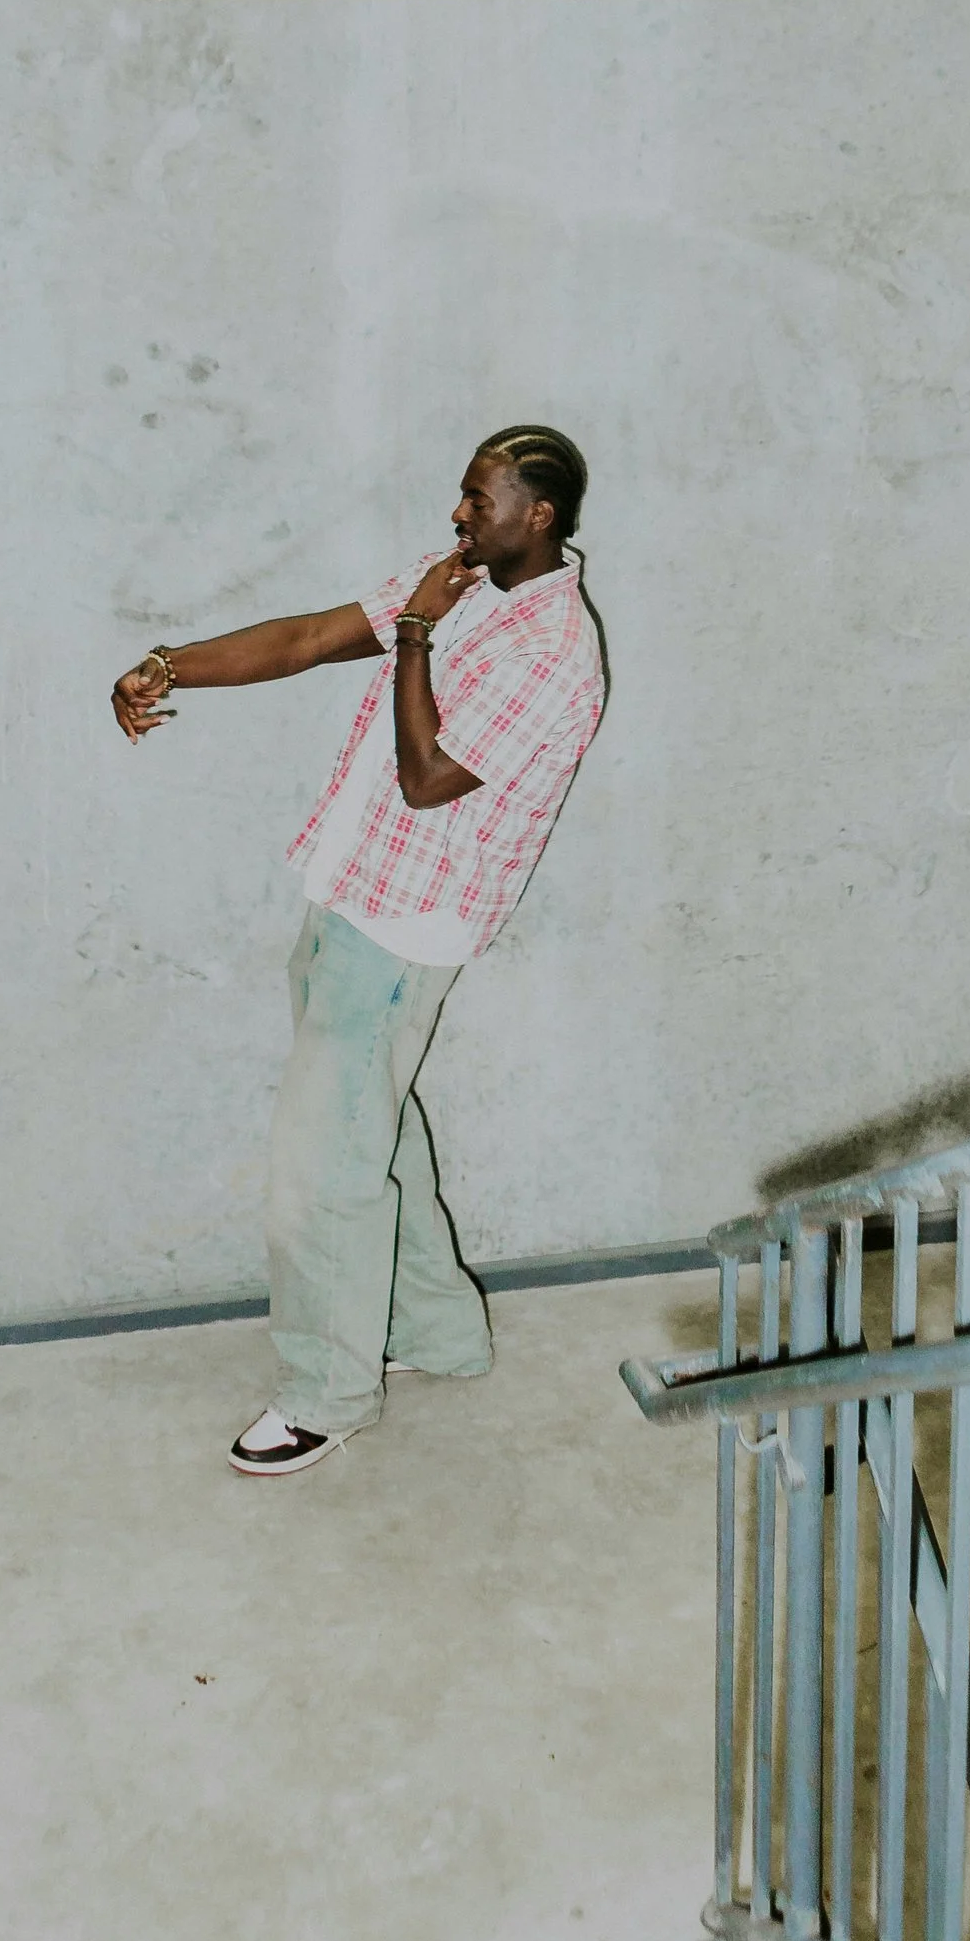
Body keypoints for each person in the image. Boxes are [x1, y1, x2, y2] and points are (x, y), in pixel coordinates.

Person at [110, 426, 605, 1476]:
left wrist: (420, 630)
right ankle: (437, 1333)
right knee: (365, 1131)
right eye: (464, 493)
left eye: (479, 498)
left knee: (319, 1168)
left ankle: (327, 1389)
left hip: (404, 930)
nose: (460, 513)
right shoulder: (462, 581)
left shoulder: (552, 654)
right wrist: (167, 663)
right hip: (346, 897)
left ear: (540, 515)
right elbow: (311, 637)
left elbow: (428, 777)